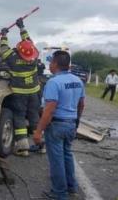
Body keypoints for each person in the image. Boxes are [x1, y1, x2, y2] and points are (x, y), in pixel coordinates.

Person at [33, 50, 85, 200]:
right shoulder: (77, 81)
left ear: (55, 64)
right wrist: (77, 122)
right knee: (67, 155)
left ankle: (59, 193)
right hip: (71, 124)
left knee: (57, 160)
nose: (50, 65)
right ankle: (71, 188)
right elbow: (81, 104)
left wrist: (38, 131)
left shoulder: (53, 82)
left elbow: (49, 110)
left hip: (56, 125)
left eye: (51, 62)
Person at [0, 18, 40, 156]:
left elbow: (4, 50)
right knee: (34, 117)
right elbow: (29, 42)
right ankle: (41, 144)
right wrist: (21, 27)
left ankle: (23, 147)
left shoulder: (13, 58)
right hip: (34, 93)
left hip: (19, 94)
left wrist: (4, 35)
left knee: (19, 117)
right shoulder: (34, 57)